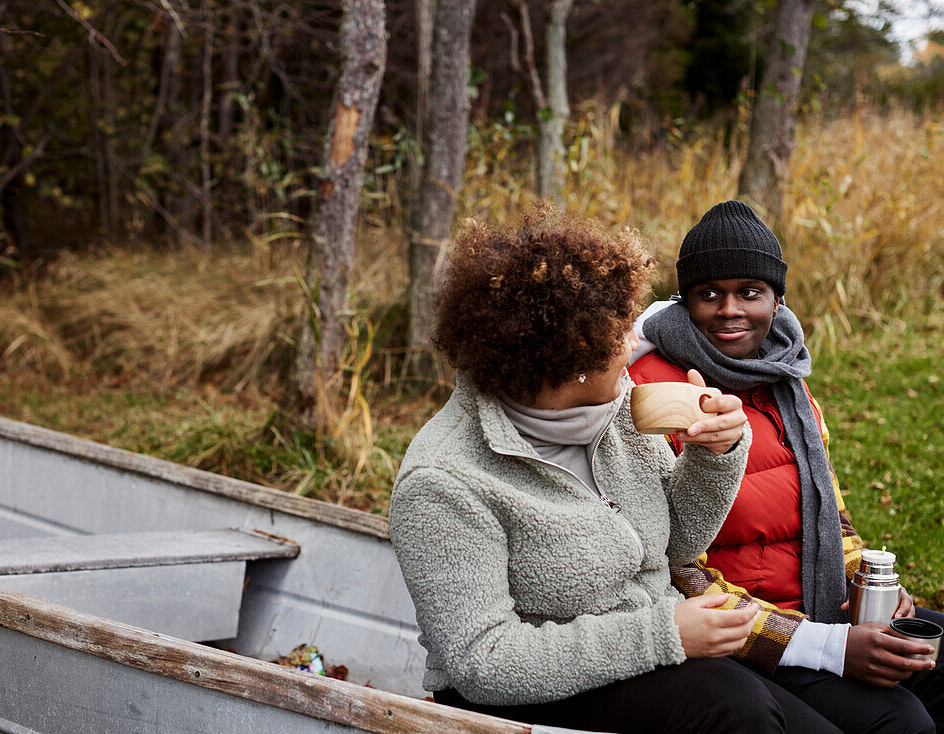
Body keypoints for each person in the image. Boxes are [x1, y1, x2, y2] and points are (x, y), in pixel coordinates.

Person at [389, 207, 847, 733]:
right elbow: (482, 662)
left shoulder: (619, 411)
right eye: (618, 334)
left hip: (657, 655)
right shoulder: (444, 479)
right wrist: (661, 634)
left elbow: (673, 544)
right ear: (569, 356)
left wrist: (716, 454)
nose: (634, 344)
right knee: (736, 709)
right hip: (525, 697)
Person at [630, 199, 944, 734]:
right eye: (709, 294)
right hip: (739, 640)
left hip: (823, 611)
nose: (730, 309)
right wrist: (833, 646)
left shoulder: (787, 382)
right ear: (685, 303)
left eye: (750, 292)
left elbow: (832, 518)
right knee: (902, 723)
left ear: (777, 301)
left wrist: (875, 590)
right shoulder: (653, 393)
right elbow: (670, 568)